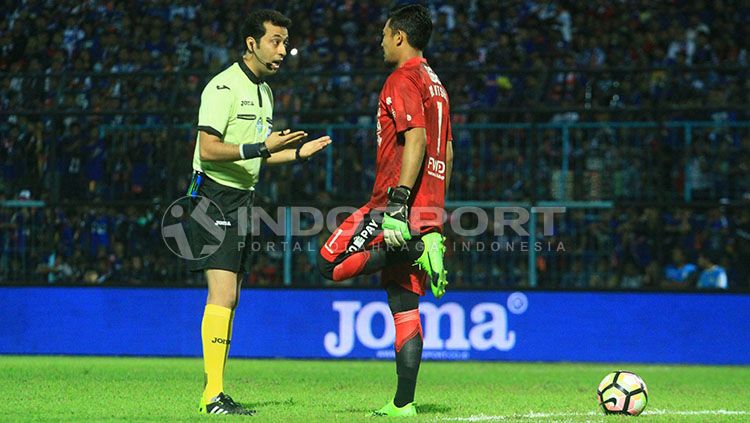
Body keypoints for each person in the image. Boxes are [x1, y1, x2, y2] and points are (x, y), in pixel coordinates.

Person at [188, 9, 331, 415]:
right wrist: (262, 148)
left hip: (241, 199)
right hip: (214, 196)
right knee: (223, 293)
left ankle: (214, 390)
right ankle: (212, 395)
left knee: (232, 298)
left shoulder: (265, 92)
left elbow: (257, 158)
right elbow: (208, 149)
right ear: (251, 43)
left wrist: (298, 153)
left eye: (285, 42)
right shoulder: (223, 88)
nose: (283, 50)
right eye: (276, 41)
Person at [317, 4, 452, 417]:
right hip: (427, 211)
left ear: (399, 36)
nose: (379, 40)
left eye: (383, 33)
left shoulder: (402, 78)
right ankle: (403, 405)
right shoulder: (437, 84)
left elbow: (414, 140)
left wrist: (397, 204)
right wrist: (433, 216)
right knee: (403, 303)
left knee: (328, 262)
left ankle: (411, 250)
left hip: (395, 206)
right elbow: (444, 149)